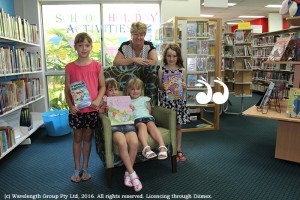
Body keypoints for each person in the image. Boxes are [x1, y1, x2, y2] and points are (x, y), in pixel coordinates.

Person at [65, 32, 106, 183]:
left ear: (91, 47)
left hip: (91, 110)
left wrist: (97, 99)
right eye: (80, 45)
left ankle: (85, 168)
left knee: (88, 138)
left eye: (87, 45)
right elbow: (67, 90)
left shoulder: (97, 66)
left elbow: (102, 87)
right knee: (77, 138)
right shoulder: (69, 67)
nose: (84, 48)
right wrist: (70, 105)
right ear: (75, 47)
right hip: (77, 111)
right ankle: (76, 169)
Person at [99, 78, 142, 192]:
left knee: (134, 142)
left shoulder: (123, 99)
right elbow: (99, 112)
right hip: (115, 126)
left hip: (127, 124)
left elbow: (128, 113)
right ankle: (133, 174)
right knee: (122, 143)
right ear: (105, 91)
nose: (113, 92)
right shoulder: (104, 100)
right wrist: (104, 110)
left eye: (116, 89)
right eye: (110, 90)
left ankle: (127, 173)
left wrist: (131, 108)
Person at [158, 43, 190, 162]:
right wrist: (165, 86)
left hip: (178, 102)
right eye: (169, 56)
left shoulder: (182, 70)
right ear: (165, 56)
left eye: (174, 56)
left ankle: (178, 149)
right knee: (167, 127)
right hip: (167, 102)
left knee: (178, 127)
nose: (171, 59)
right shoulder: (162, 69)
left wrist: (184, 86)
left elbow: (184, 87)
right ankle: (166, 148)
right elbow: (160, 87)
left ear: (178, 57)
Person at [126, 77, 168, 160]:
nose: (135, 91)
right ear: (128, 90)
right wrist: (130, 110)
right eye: (132, 89)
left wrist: (147, 118)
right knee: (142, 126)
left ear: (141, 90)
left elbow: (149, 111)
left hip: (147, 117)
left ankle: (162, 146)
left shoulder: (145, 99)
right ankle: (146, 148)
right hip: (137, 119)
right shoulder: (127, 101)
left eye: (138, 89)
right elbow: (125, 114)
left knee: (151, 125)